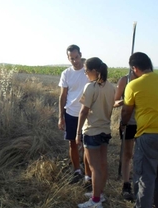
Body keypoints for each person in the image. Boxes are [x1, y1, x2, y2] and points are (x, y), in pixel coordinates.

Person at [121, 52, 158, 208]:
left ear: (134, 68)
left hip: (149, 135)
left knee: (145, 177)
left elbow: (127, 111)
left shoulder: (133, 85)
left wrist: (123, 124)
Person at [76, 57, 115, 208]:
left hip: (92, 131)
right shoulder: (111, 87)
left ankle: (96, 200)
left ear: (94, 71)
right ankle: (99, 193)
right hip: (105, 130)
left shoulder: (90, 87)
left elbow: (84, 111)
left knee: (94, 168)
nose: (85, 73)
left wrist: (78, 132)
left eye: (86, 70)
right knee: (102, 165)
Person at [58, 45, 91, 185]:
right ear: (68, 58)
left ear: (81, 55)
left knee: (87, 146)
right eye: (72, 58)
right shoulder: (66, 73)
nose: (75, 61)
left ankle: (88, 176)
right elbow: (63, 95)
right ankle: (77, 170)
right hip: (71, 113)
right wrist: (61, 116)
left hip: (88, 114)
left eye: (77, 57)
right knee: (72, 143)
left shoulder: (88, 72)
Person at [114, 71, 138, 201]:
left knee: (141, 155)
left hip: (145, 123)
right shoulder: (125, 80)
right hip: (128, 123)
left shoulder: (147, 79)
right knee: (127, 154)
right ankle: (126, 184)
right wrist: (124, 101)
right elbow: (115, 101)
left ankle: (141, 184)